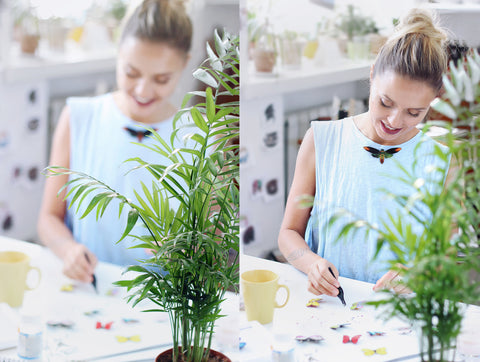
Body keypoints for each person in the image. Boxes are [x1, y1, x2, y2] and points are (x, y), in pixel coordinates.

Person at [278, 8, 451, 298]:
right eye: (386, 102)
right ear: (372, 75)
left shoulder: (442, 162)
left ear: (432, 103)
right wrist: (311, 265)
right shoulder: (322, 141)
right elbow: (288, 234)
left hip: (400, 313)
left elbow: (445, 256)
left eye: (414, 112)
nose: (395, 121)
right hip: (329, 306)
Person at [37, 0, 192, 283]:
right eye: (131, 73)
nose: (143, 90)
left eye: (161, 79)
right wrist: (67, 250)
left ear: (185, 64)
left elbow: (212, 247)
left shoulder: (198, 137)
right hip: (90, 287)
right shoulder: (79, 117)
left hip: (165, 303)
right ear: (118, 54)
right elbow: (48, 218)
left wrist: (185, 253)